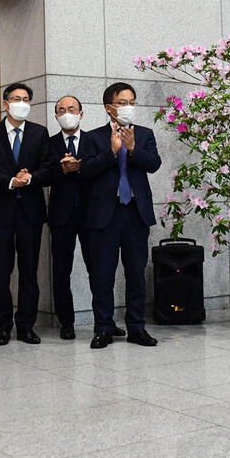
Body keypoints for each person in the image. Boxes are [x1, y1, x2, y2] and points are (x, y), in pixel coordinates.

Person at [79, 83, 161, 349]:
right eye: (122, 102)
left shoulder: (145, 134)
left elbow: (154, 164)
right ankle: (103, 327)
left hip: (136, 213)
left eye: (132, 102)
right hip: (105, 213)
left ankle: (136, 327)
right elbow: (87, 171)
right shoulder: (92, 137)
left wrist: (134, 148)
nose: (128, 107)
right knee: (103, 274)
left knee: (136, 272)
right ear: (109, 107)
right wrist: (113, 151)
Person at [0, 83, 54, 345]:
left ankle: (26, 325)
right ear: (5, 103)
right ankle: (2, 325)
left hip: (30, 212)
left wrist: (30, 178)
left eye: (26, 99)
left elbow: (48, 169)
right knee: (0, 271)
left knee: (29, 271)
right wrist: (11, 181)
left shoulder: (39, 133)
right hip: (0, 212)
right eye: (16, 98)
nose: (21, 102)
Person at [48, 96, 96, 340]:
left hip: (91, 214)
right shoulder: (49, 144)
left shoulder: (93, 140)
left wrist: (81, 167)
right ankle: (66, 322)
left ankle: (103, 321)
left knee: (97, 269)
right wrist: (62, 170)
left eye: (71, 109)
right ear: (56, 116)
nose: (67, 113)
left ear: (81, 113)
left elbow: (101, 169)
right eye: (61, 110)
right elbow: (45, 174)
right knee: (61, 270)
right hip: (61, 215)